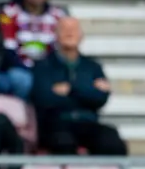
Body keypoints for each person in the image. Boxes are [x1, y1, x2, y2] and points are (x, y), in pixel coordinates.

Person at [32, 17, 127, 156]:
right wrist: (87, 90)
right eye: (64, 29)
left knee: (111, 140)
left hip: (87, 123)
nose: (69, 33)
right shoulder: (43, 66)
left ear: (81, 36)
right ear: (55, 35)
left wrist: (70, 89)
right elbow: (44, 98)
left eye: (74, 29)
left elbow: (100, 98)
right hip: (56, 124)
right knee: (63, 142)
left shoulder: (92, 66)